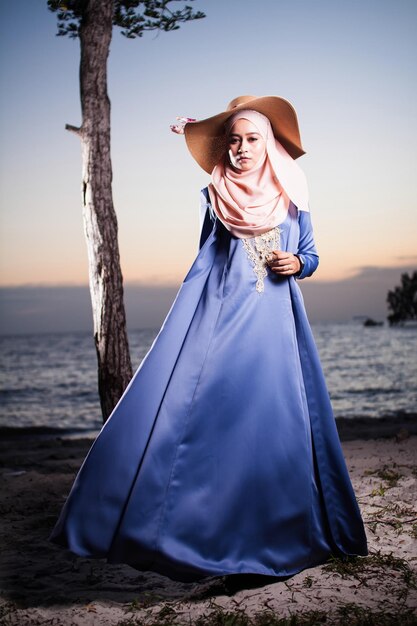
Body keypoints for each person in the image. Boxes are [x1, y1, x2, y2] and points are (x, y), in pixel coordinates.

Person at [50, 95, 368, 583]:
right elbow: (205, 259)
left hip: (275, 322)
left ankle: (281, 535)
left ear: (270, 145)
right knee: (211, 422)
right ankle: (202, 535)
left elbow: (311, 254)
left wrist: (297, 264)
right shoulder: (216, 194)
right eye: (234, 140)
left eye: (252, 139)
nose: (242, 148)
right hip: (218, 320)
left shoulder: (292, 196)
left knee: (274, 420)